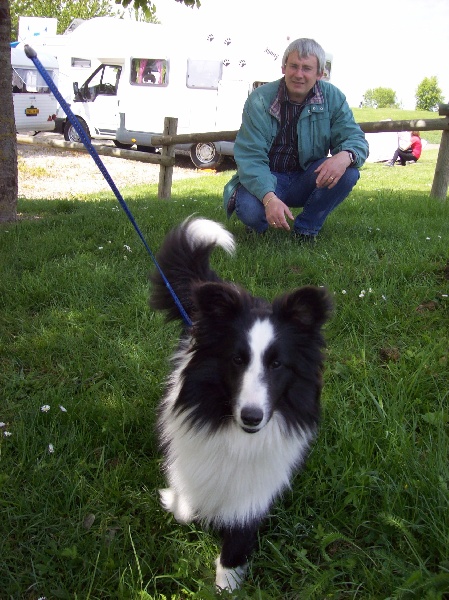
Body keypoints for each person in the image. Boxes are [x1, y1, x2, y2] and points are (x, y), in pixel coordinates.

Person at [223, 38, 369, 241]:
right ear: (283, 68)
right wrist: (269, 198)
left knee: (348, 172)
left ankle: (306, 230)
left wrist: (345, 155)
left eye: (307, 68)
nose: (299, 74)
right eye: (294, 66)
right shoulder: (259, 99)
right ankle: (260, 223)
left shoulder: (333, 98)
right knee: (250, 211)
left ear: (320, 74)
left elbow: (355, 138)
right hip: (268, 176)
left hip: (306, 177)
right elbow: (250, 157)